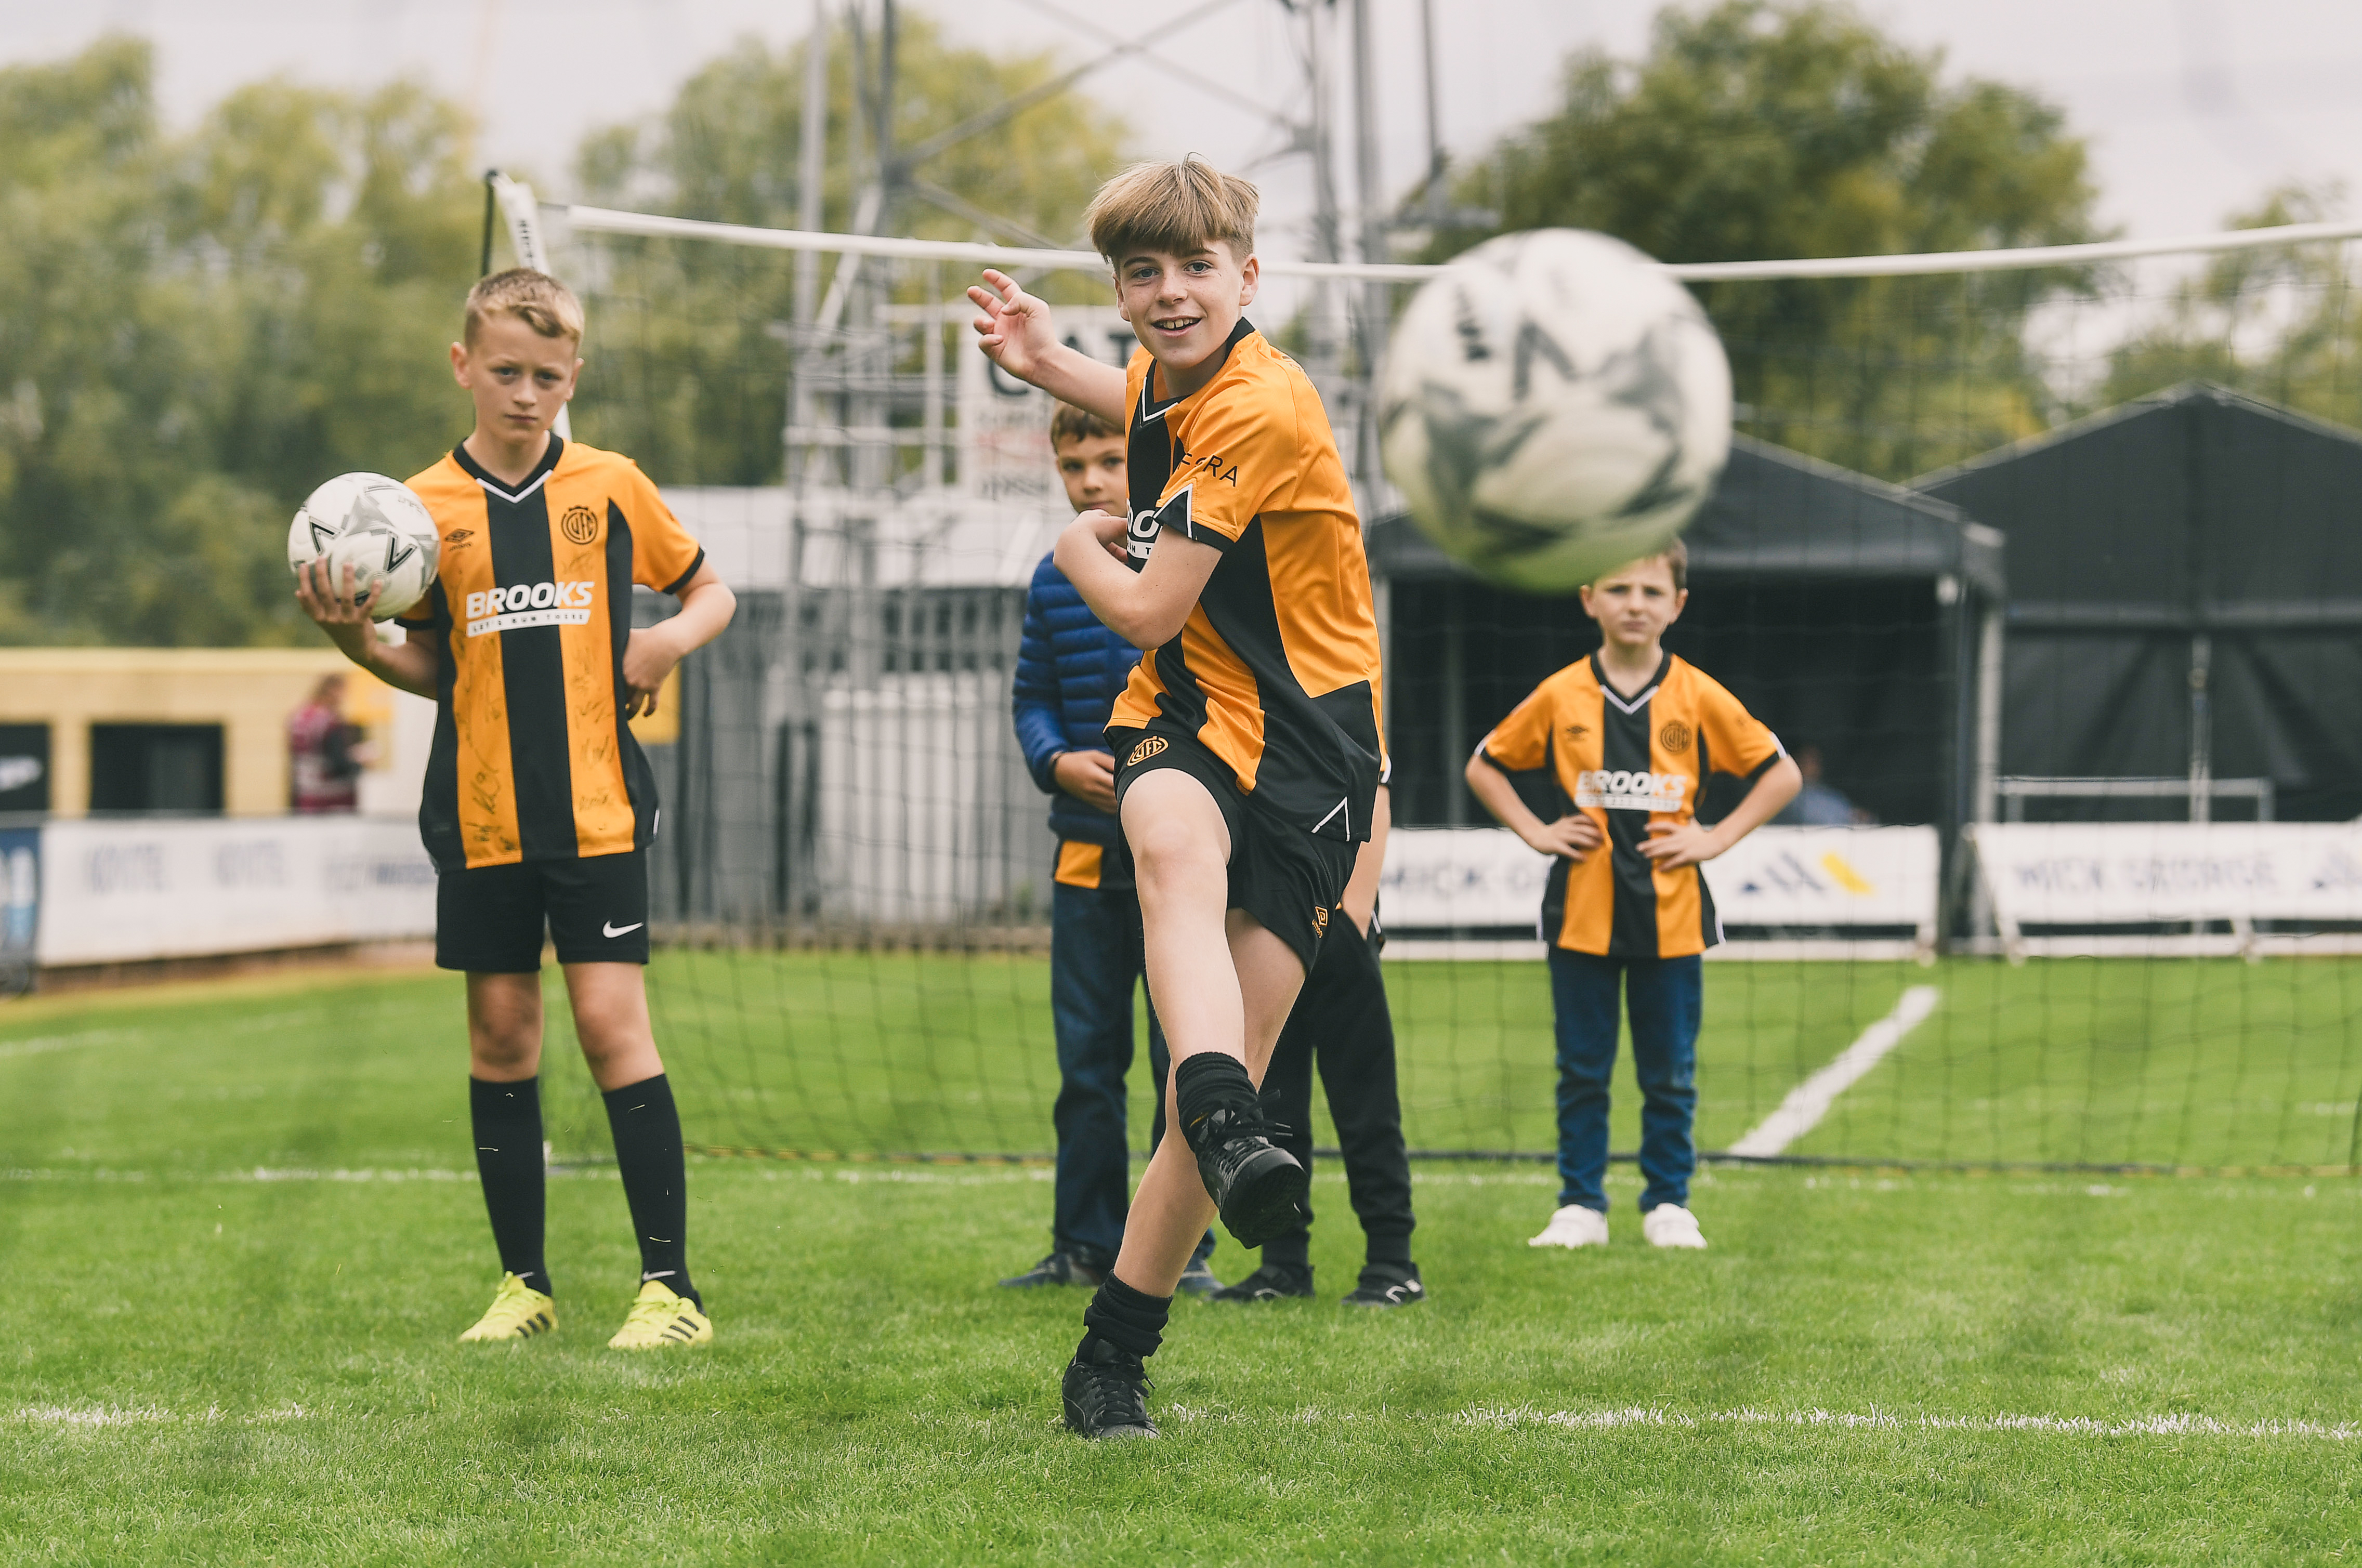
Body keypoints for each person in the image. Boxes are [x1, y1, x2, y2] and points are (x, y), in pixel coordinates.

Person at [969, 155, 1387, 1439]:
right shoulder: (1178, 377)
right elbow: (1141, 396)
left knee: (1228, 1067)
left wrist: (1070, 544)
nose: (1166, 292)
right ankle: (1221, 1111)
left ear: (1248, 279)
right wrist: (1044, 362)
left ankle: (1113, 1351)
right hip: (1189, 714)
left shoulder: (1262, 406)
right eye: (1139, 272)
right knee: (1167, 859)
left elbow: (1147, 601)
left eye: (1194, 268)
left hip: (1314, 748)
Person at [295, 268, 737, 1350]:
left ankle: (670, 1289)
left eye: (547, 375)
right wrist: (356, 640)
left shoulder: (612, 484)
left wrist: (664, 641)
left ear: (572, 376)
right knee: (501, 1036)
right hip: (479, 813)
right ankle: (522, 1283)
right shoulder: (413, 511)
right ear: (464, 366)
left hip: (597, 811)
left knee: (606, 1025)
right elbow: (437, 668)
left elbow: (710, 589)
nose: (526, 392)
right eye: (505, 371)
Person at [1463, 543, 1799, 1253]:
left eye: (1652, 591)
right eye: (1619, 589)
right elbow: (1485, 766)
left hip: (1673, 920)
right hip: (1580, 916)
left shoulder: (1699, 695)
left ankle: (1668, 1201)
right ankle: (1580, 1202)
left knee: (1669, 1071)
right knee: (1581, 1068)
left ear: (1677, 605)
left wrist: (1714, 838)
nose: (1635, 604)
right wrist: (1535, 830)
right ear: (1589, 599)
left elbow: (1781, 774)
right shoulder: (1560, 694)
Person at [1004, 400, 1221, 1297]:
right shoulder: (1054, 578)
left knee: (1189, 1063)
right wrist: (1054, 760)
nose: (1090, 481)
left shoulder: (1200, 561)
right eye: (1072, 466)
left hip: (1185, 864)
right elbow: (1029, 700)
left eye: (1106, 461)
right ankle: (1081, 1244)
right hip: (1086, 861)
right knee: (1086, 1065)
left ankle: (1184, 1255)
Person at [1215, 781, 1423, 1307]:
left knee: (1365, 1105)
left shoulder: (1347, 698)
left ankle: (1392, 1262)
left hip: (1337, 933)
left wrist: (1351, 916)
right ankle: (1283, 1263)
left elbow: (1377, 784)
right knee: (1274, 1104)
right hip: (1269, 923)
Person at [287, 672, 371, 813]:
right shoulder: (329, 720)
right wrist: (359, 763)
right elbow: (339, 764)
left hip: (306, 795)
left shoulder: (299, 715)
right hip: (334, 798)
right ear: (332, 690)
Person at [1770, 744, 1874, 826]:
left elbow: (1852, 815)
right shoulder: (1789, 796)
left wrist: (1855, 815)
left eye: (1815, 761)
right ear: (1797, 762)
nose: (1813, 766)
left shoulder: (1830, 795)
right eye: (1807, 761)